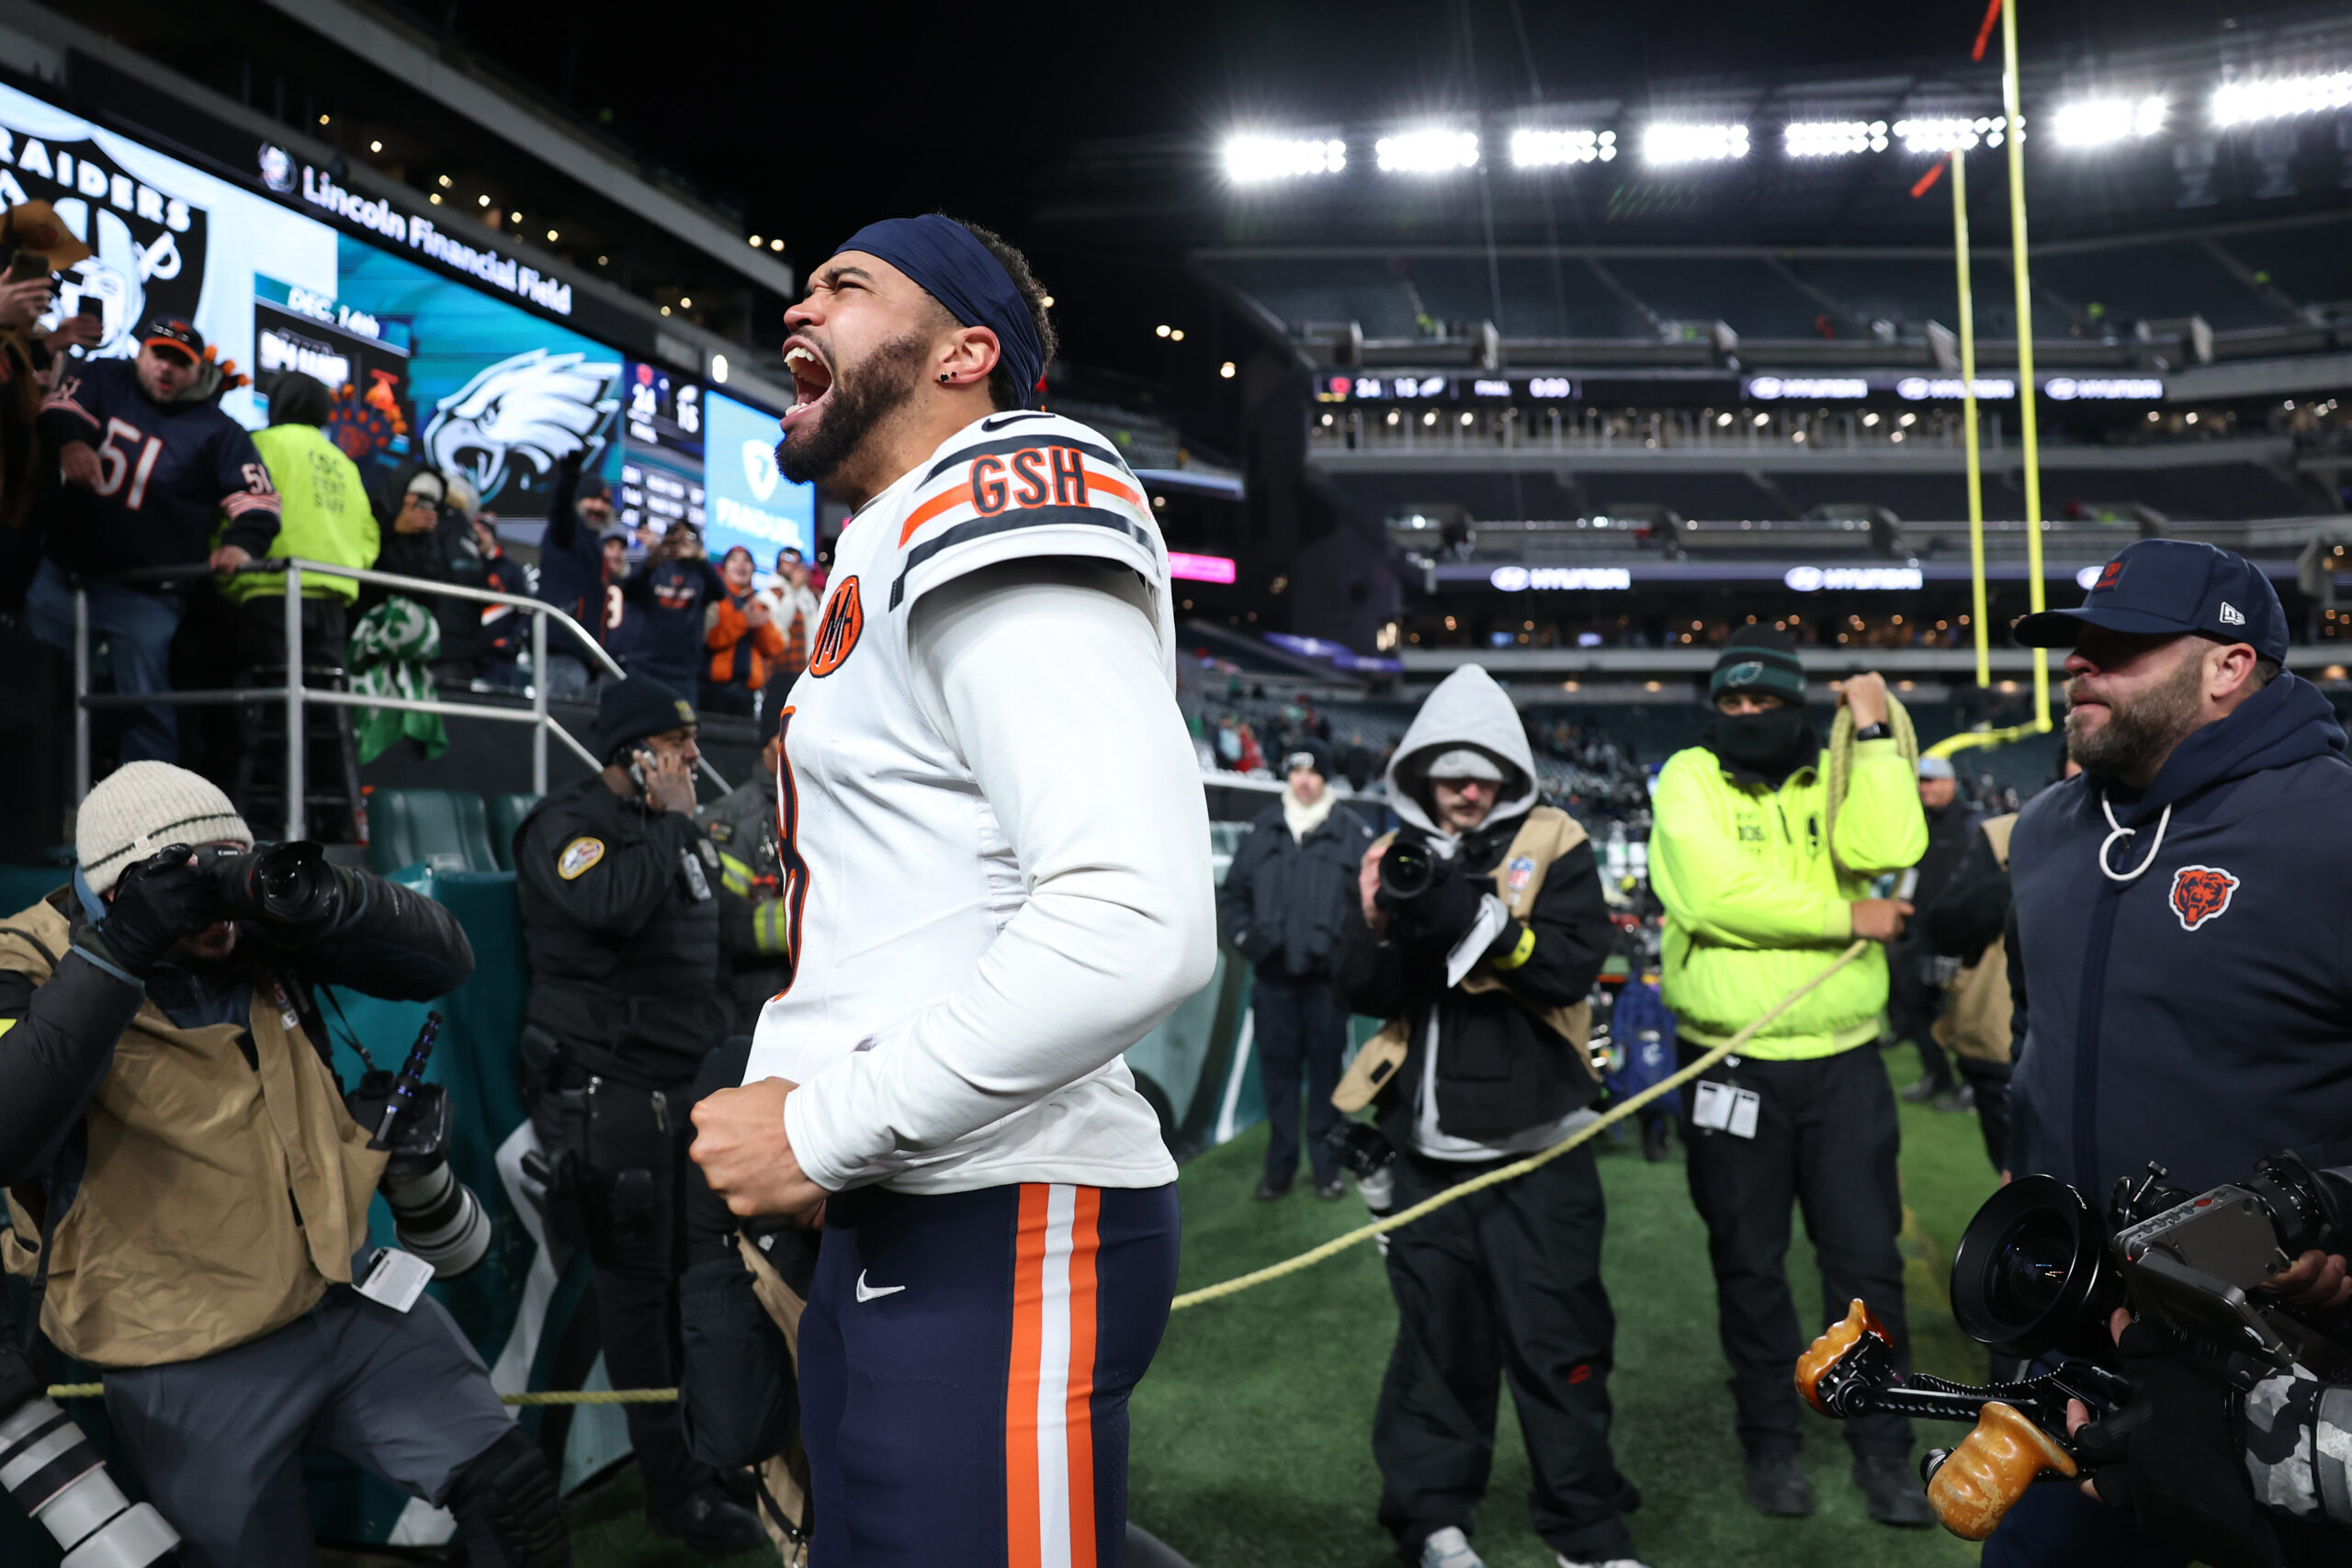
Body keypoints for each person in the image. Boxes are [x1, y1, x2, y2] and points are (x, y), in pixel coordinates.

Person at [685, 213, 1215, 1567]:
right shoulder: (884, 537)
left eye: (847, 285)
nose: (800, 303)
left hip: (1001, 1205)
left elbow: (1133, 920)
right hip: (915, 1199)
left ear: (966, 350)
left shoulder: (1008, 485)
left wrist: (823, 1122)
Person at [0, 762, 569, 1567]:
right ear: (115, 885)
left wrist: (325, 896)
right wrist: (123, 948)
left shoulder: (253, 927)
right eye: (191, 880)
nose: (218, 906)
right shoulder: (25, 955)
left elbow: (445, 962)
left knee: (516, 1500)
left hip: (344, 1292)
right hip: (183, 1350)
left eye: (228, 865)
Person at [1987, 537, 2352, 1568]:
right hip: (2068, 1347)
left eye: (2119, 647)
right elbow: (2037, 1029)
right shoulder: (2049, 830)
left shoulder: (2331, 830)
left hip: (2282, 1356)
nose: (2076, 666)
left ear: (2230, 666)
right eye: (2073, 646)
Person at [1326, 665, 1639, 1568]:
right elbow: (1359, 988)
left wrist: (1477, 914)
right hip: (1422, 1149)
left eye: (1482, 772)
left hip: (1537, 1150)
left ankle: (1585, 1531)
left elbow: (1575, 967)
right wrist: (1376, 918)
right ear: (1418, 772)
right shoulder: (1396, 850)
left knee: (1562, 1346)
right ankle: (1433, 1523)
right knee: (1436, 1350)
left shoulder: (1558, 839)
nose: (1465, 791)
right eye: (1447, 773)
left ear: (1509, 771)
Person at [1645, 626, 1930, 1526]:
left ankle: (1881, 1446)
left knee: (1865, 1268)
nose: (1745, 718)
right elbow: (1707, 897)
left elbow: (1890, 840)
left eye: (1763, 703)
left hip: (1843, 1061)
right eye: (1730, 703)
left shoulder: (1839, 764)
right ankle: (1770, 1443)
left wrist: (1875, 731)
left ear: (1795, 704)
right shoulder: (1688, 773)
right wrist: (1848, 914)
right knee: (1748, 1266)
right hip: (1728, 1062)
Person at [509, 675, 763, 1555]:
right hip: (609, 1099)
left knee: (702, 1285)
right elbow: (607, 907)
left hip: (686, 1092)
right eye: (677, 745)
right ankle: (672, 1489)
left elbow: (715, 945)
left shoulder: (675, 832)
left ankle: (711, 1456)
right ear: (633, 755)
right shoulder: (567, 826)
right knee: (637, 1299)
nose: (694, 757)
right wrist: (676, 822)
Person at [22, 318, 281, 764]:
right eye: (159, 354)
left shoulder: (221, 431)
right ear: (140, 352)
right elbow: (58, 411)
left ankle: (152, 821)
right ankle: (35, 809)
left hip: (146, 594)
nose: (166, 368)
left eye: (180, 362)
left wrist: (242, 544)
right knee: (31, 691)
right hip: (63, 577)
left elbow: (258, 501)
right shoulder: (106, 375)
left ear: (199, 371)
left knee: (145, 712)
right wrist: (71, 445)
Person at [1217, 737, 1372, 1201]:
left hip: (1327, 985)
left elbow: (1367, 910)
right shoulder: (1261, 829)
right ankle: (1279, 1169)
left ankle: (1327, 1170)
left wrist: (1339, 953)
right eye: (1297, 771)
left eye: (1313, 772)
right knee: (1278, 1082)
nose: (1304, 781)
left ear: (1326, 777)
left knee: (1327, 1079)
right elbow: (1232, 898)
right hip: (1274, 981)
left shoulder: (1351, 832)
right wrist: (1252, 943)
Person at [1921, 807, 2019, 1170]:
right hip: (2001, 1045)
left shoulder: (2156, 835)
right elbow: (1945, 924)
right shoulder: (2005, 836)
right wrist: (2024, 872)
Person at [696, 689, 792, 1033]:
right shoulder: (730, 822)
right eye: (787, 739)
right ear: (770, 743)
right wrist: (811, 918)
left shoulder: (832, 811)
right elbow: (724, 925)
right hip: (754, 1001)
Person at [1888, 753, 1980, 1110]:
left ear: (1950, 783)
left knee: (1962, 1014)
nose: (1925, 788)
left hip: (1959, 938)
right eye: (1921, 782)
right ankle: (1937, 1075)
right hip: (1919, 934)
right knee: (1917, 1008)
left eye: (1932, 781)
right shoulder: (1914, 823)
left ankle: (1972, 1085)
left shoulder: (1971, 824)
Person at [537, 457, 620, 699]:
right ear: (578, 501)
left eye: (605, 502)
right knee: (560, 721)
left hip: (587, 655)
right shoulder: (566, 533)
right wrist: (569, 479)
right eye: (592, 499)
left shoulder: (594, 544)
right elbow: (560, 512)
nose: (598, 507)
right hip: (562, 648)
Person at [622, 523, 727, 697]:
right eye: (675, 538)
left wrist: (699, 558)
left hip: (683, 672)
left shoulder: (700, 573)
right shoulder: (654, 566)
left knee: (683, 724)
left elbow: (720, 592)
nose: (681, 542)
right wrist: (651, 562)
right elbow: (629, 592)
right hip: (645, 664)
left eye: (687, 537)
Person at [701, 543, 783, 716]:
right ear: (724, 568)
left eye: (746, 561)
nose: (740, 565)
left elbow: (774, 647)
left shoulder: (757, 603)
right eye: (734, 560)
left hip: (747, 693)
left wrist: (761, 623)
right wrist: (742, 621)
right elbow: (711, 640)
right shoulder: (715, 598)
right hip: (713, 691)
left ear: (753, 569)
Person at [762, 544, 821, 702]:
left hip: (809, 674)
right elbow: (779, 625)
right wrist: (793, 588)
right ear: (778, 565)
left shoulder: (811, 596)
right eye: (788, 560)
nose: (795, 565)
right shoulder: (770, 594)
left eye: (798, 561)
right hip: (781, 674)